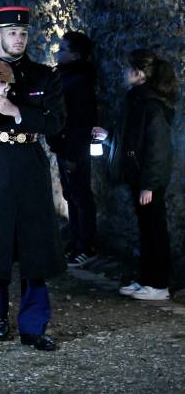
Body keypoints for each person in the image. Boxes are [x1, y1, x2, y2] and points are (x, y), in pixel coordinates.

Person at [0, 6, 66, 351]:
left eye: (22, 33)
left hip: (29, 162)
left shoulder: (42, 76)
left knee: (35, 244)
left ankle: (34, 324)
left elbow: (55, 122)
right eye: (11, 32)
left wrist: (17, 112)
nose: (18, 38)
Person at [93, 48, 176, 301]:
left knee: (154, 230)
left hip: (147, 181)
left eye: (127, 68)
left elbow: (157, 149)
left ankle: (158, 285)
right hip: (139, 178)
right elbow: (133, 141)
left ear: (139, 74)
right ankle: (147, 280)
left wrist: (149, 185)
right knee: (147, 229)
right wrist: (109, 139)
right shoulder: (137, 100)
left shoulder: (151, 106)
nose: (123, 72)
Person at [47, 31, 98, 266]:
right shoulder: (66, 76)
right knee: (72, 195)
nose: (58, 52)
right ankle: (76, 241)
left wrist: (72, 155)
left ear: (75, 55)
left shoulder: (79, 82)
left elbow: (80, 120)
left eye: (63, 49)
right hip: (63, 146)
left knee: (80, 195)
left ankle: (86, 246)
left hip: (72, 148)